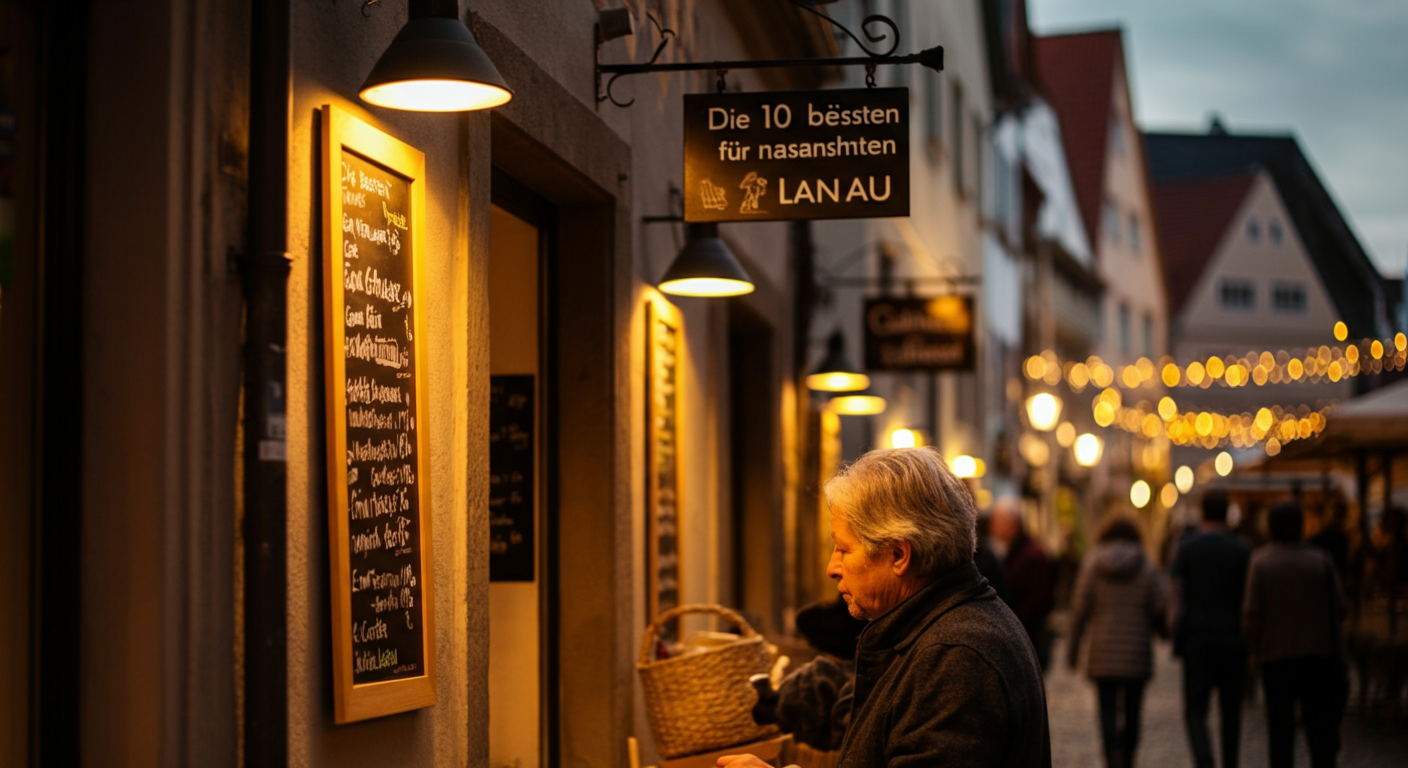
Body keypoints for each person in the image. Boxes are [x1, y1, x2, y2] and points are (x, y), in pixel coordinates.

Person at [718, 447, 1051, 768]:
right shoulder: (938, 631)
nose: (832, 568)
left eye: (843, 549)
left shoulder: (954, 657)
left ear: (898, 555)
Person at [1243, 501, 1347, 768]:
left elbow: (1252, 616)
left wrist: (1254, 652)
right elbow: (1340, 608)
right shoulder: (1321, 561)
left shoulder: (1261, 562)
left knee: (1280, 734)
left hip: (1276, 658)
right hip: (1319, 656)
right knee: (1320, 733)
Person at [1067, 516, 1167, 768]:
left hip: (1103, 653)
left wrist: (1072, 652)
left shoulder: (1092, 564)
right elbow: (1159, 607)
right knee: (1132, 713)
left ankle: (1112, 757)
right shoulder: (1145, 565)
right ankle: (1128, 757)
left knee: (1107, 710)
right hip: (1136, 653)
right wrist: (1162, 631)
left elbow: (1079, 610)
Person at [1170, 492, 1251, 768]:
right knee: (1231, 711)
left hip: (1197, 640)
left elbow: (1177, 595)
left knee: (1195, 711)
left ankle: (1204, 760)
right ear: (1227, 514)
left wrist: (1175, 630)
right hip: (1232, 639)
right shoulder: (1241, 549)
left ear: (1202, 513)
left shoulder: (1187, 548)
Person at [989, 496, 1057, 669]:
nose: (993, 527)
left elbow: (1041, 600)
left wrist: (1012, 624)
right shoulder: (1015, 554)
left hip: (1029, 641)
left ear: (1013, 524)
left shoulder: (1030, 557)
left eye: (998, 522)